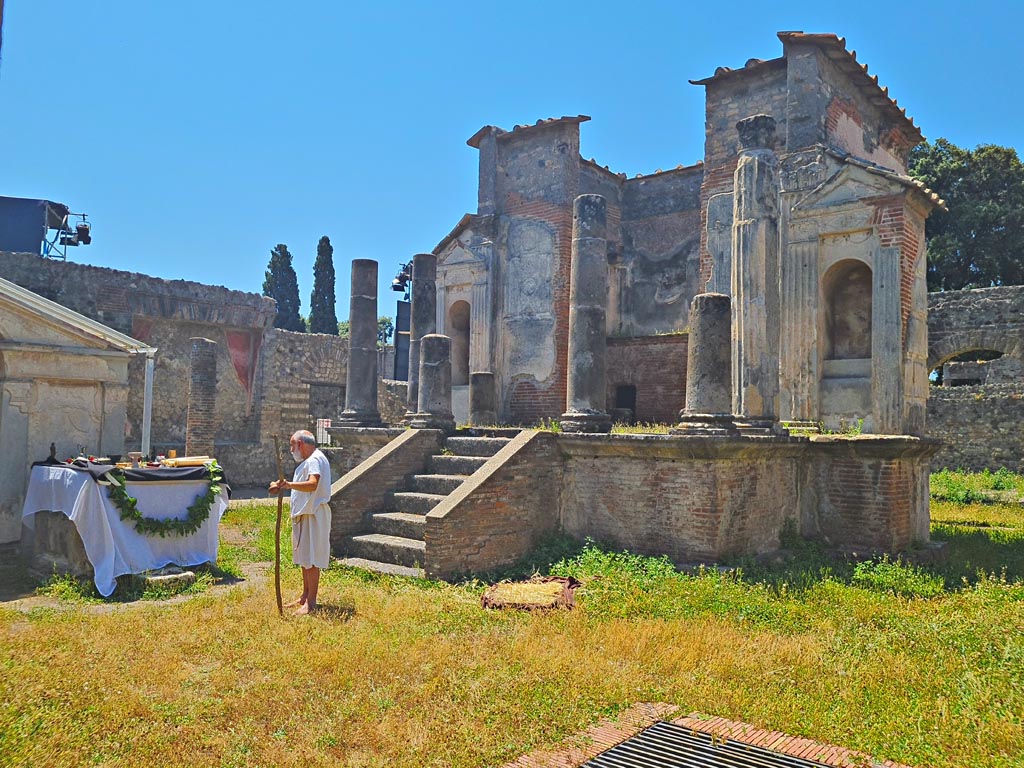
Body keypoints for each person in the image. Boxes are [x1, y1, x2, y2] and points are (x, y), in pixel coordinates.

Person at [269, 430, 331, 615]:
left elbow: (313, 484)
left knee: (311, 559)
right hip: (306, 514)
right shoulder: (312, 460)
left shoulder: (314, 460)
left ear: (301, 444)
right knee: (305, 557)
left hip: (313, 514)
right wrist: (282, 486)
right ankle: (305, 596)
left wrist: (287, 485)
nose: (291, 449)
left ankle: (311, 603)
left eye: (292, 445)